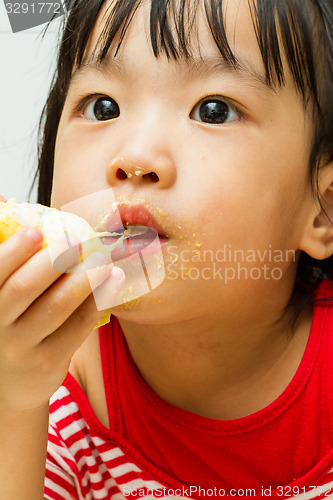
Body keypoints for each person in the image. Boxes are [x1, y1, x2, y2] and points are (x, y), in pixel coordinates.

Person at [1, 0, 333, 498]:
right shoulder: (53, 390)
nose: (134, 158)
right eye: (102, 106)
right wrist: (16, 402)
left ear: (322, 209)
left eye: (214, 110)